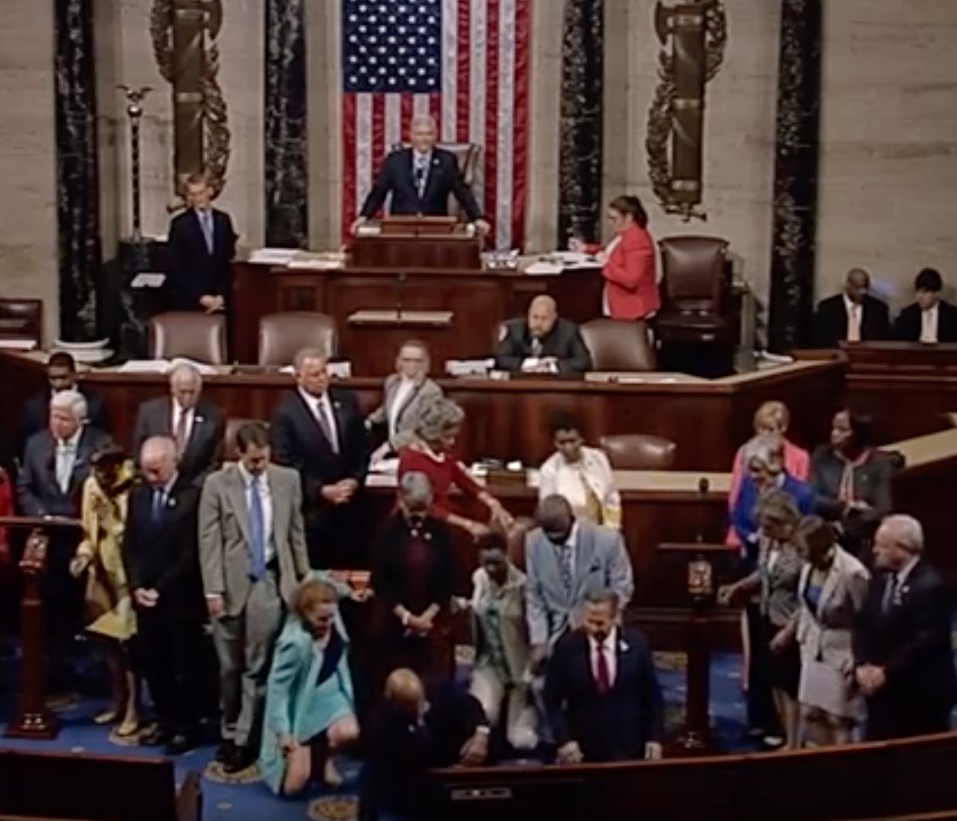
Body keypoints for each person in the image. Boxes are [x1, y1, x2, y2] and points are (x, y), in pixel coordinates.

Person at [199, 421, 311, 774]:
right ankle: (228, 728)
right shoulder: (218, 484)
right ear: (239, 455)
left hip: (269, 584)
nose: (261, 466)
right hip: (230, 586)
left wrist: (303, 580)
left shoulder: (287, 480)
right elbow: (209, 541)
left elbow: (296, 533)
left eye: (264, 459)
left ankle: (244, 739)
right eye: (254, 461)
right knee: (229, 667)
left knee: (257, 667)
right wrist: (213, 589)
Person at [17, 389, 111, 690]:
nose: (57, 423)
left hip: (85, 538)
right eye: (53, 416)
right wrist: (41, 515)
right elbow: (25, 488)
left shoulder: (101, 445)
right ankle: (56, 673)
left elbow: (109, 492)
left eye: (64, 418)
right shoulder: (36, 445)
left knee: (86, 610)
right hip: (47, 539)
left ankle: (95, 676)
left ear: (80, 420)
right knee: (50, 608)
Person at [124, 436, 205, 754]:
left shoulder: (192, 498)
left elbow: (190, 554)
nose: (151, 477)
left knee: (182, 665)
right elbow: (129, 546)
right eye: (146, 470)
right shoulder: (138, 496)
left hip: (178, 599)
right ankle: (165, 721)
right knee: (153, 664)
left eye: (156, 470)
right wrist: (136, 587)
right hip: (145, 600)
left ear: (173, 462)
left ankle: (187, 726)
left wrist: (159, 589)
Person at [853, 514, 957, 740]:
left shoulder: (930, 587)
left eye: (882, 546)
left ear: (903, 548)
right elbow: (863, 622)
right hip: (882, 695)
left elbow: (925, 643)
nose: (875, 551)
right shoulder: (881, 577)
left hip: (918, 698)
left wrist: (885, 672)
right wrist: (862, 665)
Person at [720, 490, 806, 749]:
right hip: (767, 616)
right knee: (774, 682)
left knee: (790, 685)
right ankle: (784, 733)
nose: (764, 532)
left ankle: (794, 742)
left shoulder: (802, 548)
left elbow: (807, 597)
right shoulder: (769, 543)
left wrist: (789, 631)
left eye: (769, 527)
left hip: (790, 623)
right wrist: (738, 587)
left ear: (785, 523)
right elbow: (762, 574)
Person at [271, 347, 371, 569]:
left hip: (351, 508)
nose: (321, 379)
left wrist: (355, 480)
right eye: (314, 374)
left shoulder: (347, 401)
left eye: (324, 372)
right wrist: (321, 490)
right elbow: (286, 462)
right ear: (298, 377)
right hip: (312, 513)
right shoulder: (285, 413)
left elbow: (362, 448)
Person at [260, 576, 360, 795]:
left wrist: (349, 591)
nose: (329, 624)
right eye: (322, 619)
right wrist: (283, 733)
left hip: (331, 695)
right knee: (293, 787)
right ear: (305, 614)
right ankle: (309, 753)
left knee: (349, 732)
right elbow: (278, 692)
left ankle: (323, 758)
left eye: (332, 617)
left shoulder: (333, 621)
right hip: (301, 706)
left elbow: (321, 577)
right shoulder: (294, 643)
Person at [544, 588, 663, 763]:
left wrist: (654, 738)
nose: (593, 628)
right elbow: (551, 700)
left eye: (600, 623)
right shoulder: (567, 647)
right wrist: (564, 740)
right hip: (583, 751)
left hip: (629, 748)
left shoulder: (637, 645)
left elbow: (652, 697)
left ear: (615, 618)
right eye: (589, 621)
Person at [69, 444, 139, 737]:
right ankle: (118, 700)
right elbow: (89, 530)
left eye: (102, 470)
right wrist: (83, 555)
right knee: (106, 642)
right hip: (102, 575)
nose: (97, 475)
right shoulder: (91, 486)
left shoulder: (133, 486)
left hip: (127, 575)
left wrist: (111, 520)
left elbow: (133, 535)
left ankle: (136, 709)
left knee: (128, 645)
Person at [359, 668, 490, 821]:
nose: (415, 709)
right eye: (408, 705)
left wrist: (481, 736)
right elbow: (402, 764)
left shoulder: (442, 691)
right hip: (410, 782)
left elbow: (473, 707)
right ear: (393, 702)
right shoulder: (383, 724)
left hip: (456, 756)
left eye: (416, 703)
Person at [525, 495, 634, 671]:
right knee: (539, 684)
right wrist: (539, 640)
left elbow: (622, 587)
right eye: (549, 535)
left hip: (596, 629)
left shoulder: (607, 540)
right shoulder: (533, 542)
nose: (554, 539)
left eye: (560, 534)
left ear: (572, 519)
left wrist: (600, 621)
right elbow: (534, 595)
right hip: (555, 632)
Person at [792, 516, 870, 746]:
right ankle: (822, 767)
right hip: (813, 647)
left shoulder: (853, 573)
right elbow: (806, 607)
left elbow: (865, 619)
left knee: (838, 718)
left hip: (842, 651)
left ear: (817, 548)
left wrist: (858, 659)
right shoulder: (808, 567)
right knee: (810, 713)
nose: (797, 553)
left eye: (801, 548)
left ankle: (842, 773)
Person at [371, 472, 454, 685]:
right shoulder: (386, 532)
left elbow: (449, 578)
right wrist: (407, 618)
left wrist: (427, 617)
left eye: (422, 509)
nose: (418, 516)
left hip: (433, 624)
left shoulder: (442, 532)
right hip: (394, 627)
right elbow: (381, 581)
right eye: (412, 509)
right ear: (400, 498)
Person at [352, 115, 489, 235]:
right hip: (401, 227)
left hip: (436, 227)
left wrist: (477, 218)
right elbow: (379, 192)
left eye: (428, 134)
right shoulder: (395, 160)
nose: (424, 139)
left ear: (435, 136)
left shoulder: (447, 160)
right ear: (411, 136)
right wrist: (364, 216)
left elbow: (462, 192)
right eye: (419, 134)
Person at [397, 397, 511, 538]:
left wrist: (493, 503)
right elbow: (422, 507)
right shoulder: (411, 460)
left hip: (444, 521)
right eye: (447, 437)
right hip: (420, 525)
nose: (452, 442)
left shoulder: (443, 454)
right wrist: (467, 524)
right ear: (432, 435)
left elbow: (465, 482)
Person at [468, 532, 538, 752]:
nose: (490, 569)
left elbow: (534, 629)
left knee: (521, 740)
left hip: (519, 666)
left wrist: (533, 669)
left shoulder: (524, 586)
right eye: (485, 563)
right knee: (482, 717)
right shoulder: (479, 578)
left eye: (496, 563)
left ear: (507, 556)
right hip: (490, 662)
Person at [809, 408, 895, 555]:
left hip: (864, 538)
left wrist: (848, 526)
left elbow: (882, 507)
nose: (834, 434)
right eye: (833, 428)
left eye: (842, 430)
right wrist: (846, 507)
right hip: (827, 534)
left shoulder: (879, 463)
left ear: (858, 434)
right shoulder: (822, 456)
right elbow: (814, 498)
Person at [131, 361, 225, 485]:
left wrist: (193, 491)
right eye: (182, 392)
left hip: (195, 490)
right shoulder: (150, 412)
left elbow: (214, 463)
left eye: (192, 392)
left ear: (200, 389)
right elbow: (139, 455)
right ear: (172, 389)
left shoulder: (214, 416)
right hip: (156, 485)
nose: (187, 397)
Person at [569, 195, 659, 321]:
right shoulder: (624, 234)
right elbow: (614, 253)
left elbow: (631, 279)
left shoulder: (637, 238)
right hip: (620, 304)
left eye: (614, 218)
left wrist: (606, 263)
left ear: (629, 217)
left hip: (632, 309)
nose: (610, 223)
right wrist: (586, 248)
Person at [730, 434, 815, 567]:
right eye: (749, 470)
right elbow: (737, 515)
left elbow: (806, 533)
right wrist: (751, 537)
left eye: (757, 470)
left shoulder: (802, 494)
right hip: (751, 561)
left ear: (776, 465)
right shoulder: (747, 484)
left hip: (789, 567)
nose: (752, 476)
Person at [165, 173, 238, 315]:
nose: (198, 198)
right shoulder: (180, 225)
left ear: (210, 191)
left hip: (220, 301)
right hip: (191, 301)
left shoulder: (223, 220)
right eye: (193, 194)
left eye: (201, 193)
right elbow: (176, 267)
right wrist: (201, 297)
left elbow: (228, 261)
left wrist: (221, 297)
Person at [538, 410, 621, 529]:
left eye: (572, 441)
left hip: (604, 529)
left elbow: (611, 496)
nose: (568, 447)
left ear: (581, 439)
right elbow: (550, 513)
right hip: (570, 533)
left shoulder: (598, 458)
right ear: (555, 443)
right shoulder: (549, 470)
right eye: (562, 442)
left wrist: (612, 529)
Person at [19, 351, 108, 456]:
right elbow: (27, 445)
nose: (58, 383)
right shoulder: (34, 407)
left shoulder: (94, 403)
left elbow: (101, 439)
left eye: (63, 377)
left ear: (74, 375)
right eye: (53, 378)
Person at [366, 340, 443, 459]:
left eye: (417, 361)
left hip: (415, 453)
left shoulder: (430, 391)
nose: (411, 364)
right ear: (398, 361)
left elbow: (421, 429)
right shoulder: (392, 382)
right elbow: (386, 409)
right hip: (392, 453)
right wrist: (367, 422)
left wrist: (388, 446)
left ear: (426, 363)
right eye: (406, 360)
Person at [494, 295, 593, 375]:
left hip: (556, 387)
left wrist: (552, 366)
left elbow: (584, 362)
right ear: (528, 314)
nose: (538, 323)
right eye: (535, 317)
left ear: (554, 317)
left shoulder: (569, 331)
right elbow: (500, 359)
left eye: (544, 319)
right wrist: (531, 364)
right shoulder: (515, 329)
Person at [811, 267, 891, 348]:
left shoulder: (878, 308)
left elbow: (884, 340)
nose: (863, 292)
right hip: (837, 354)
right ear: (848, 285)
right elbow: (820, 339)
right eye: (858, 288)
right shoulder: (828, 308)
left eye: (865, 287)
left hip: (868, 355)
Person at [893, 268, 957, 343]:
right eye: (918, 292)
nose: (919, 297)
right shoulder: (907, 315)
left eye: (925, 292)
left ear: (937, 293)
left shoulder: (952, 315)